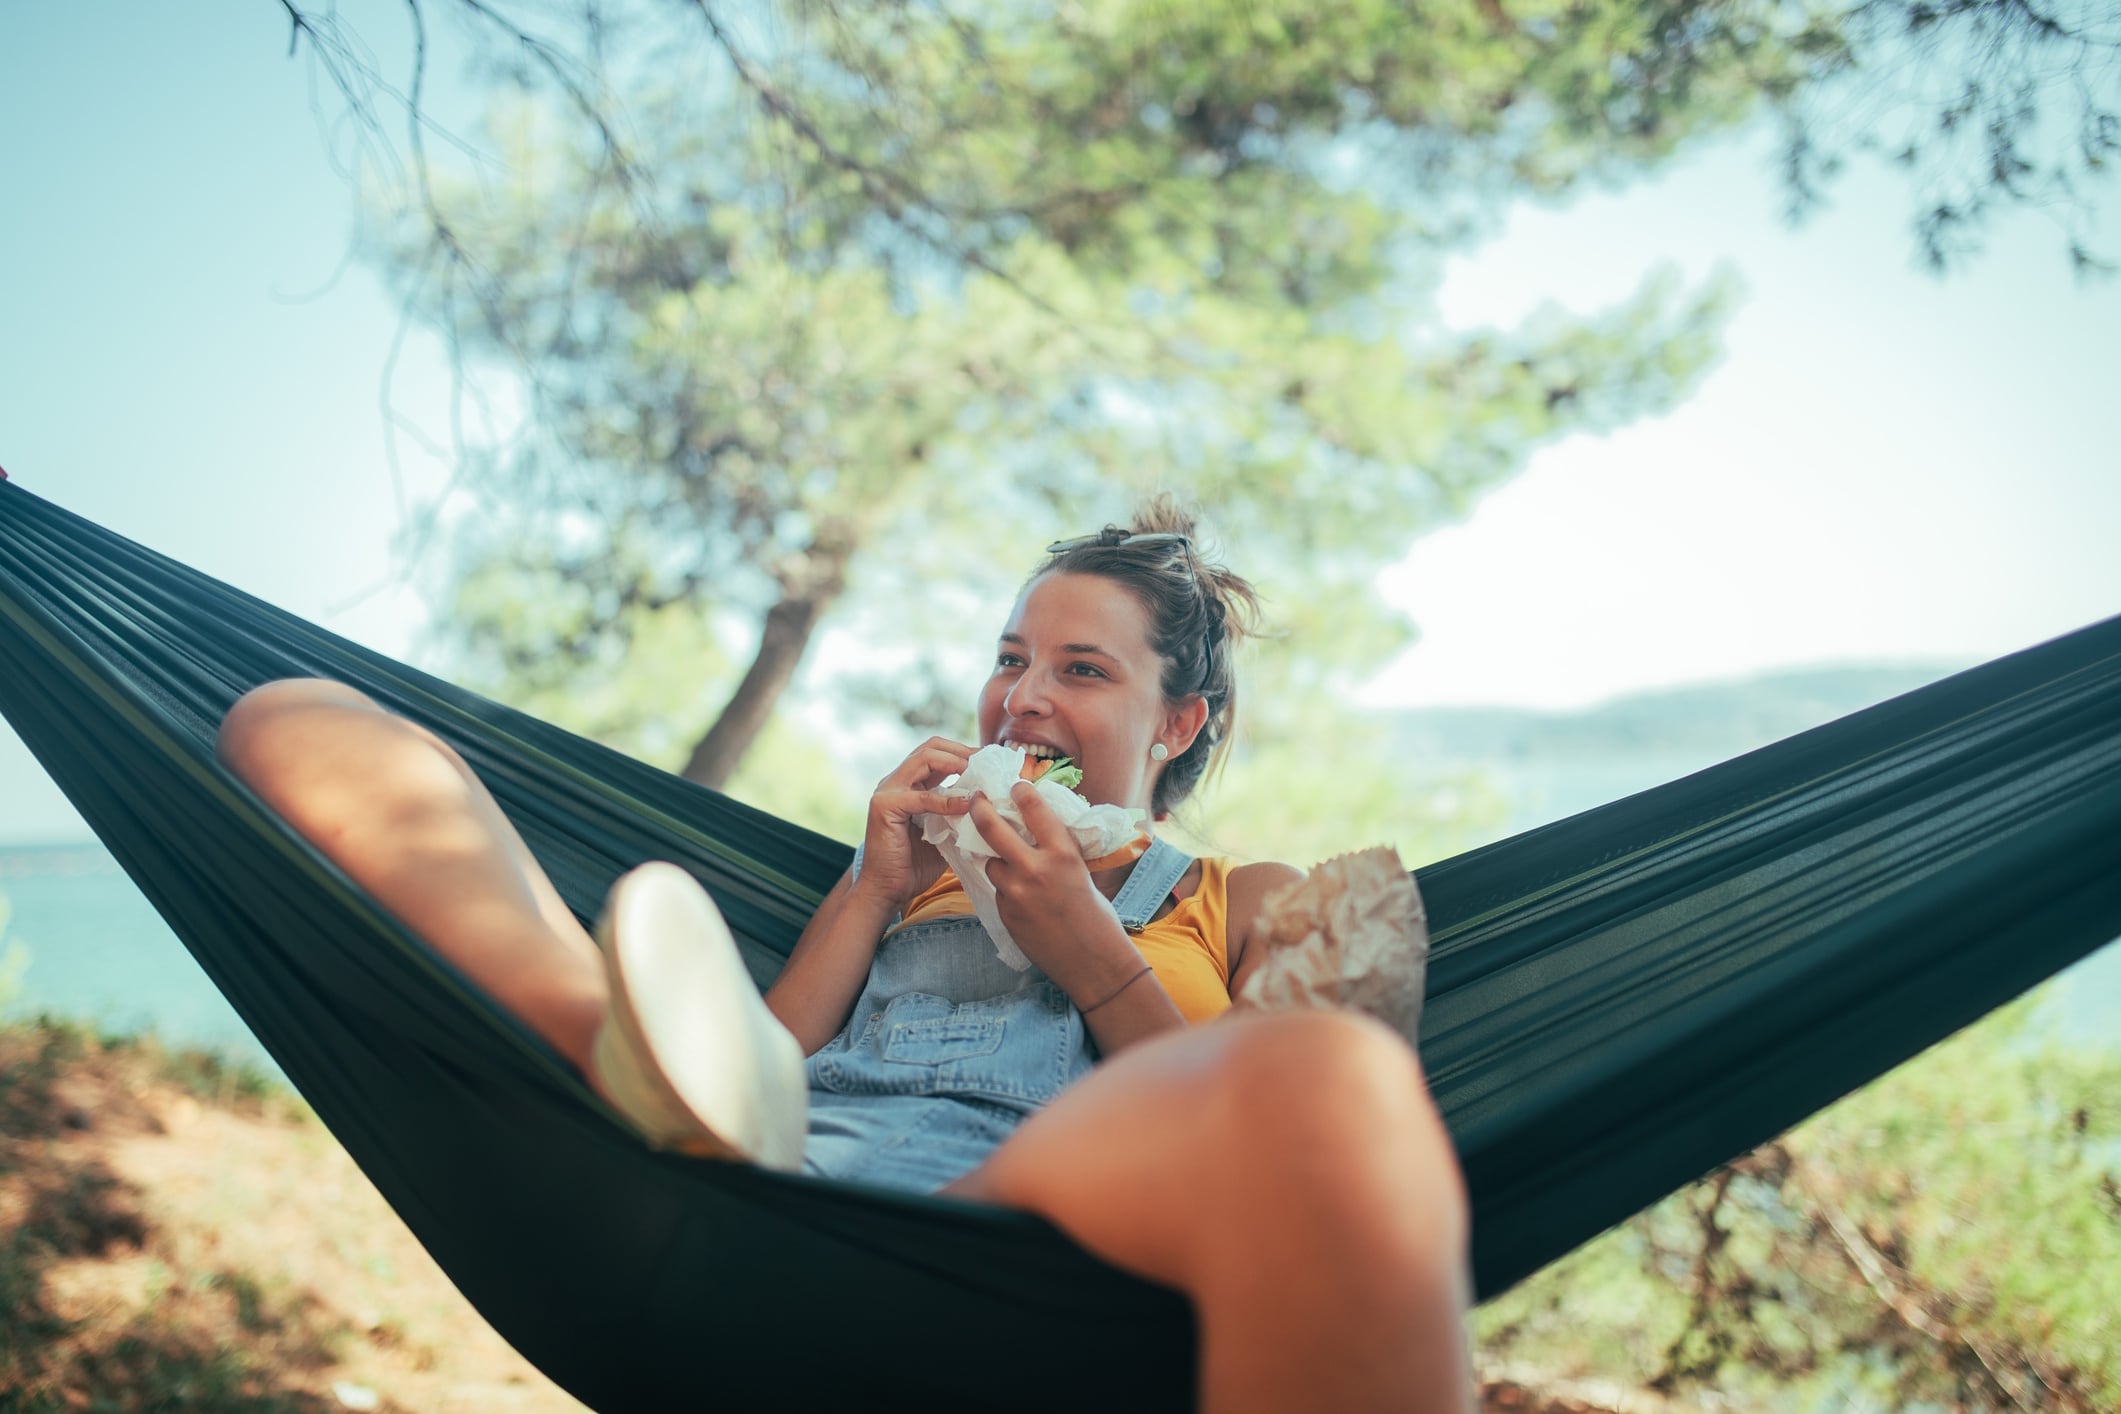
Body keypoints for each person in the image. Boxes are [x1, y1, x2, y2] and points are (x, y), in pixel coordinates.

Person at [214, 501, 1476, 1413]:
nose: (1021, 698)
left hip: (1010, 1226)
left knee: (1321, 1085)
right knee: (290, 717)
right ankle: (587, 1015)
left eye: (1081, 669)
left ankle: (618, 1034)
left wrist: (1094, 957)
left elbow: (1257, 1130)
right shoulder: (911, 870)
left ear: (1180, 720)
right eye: (1009, 659)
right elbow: (769, 1058)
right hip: (763, 1180)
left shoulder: (1236, 895)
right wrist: (873, 888)